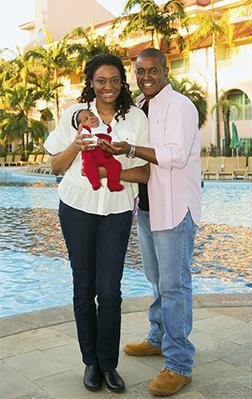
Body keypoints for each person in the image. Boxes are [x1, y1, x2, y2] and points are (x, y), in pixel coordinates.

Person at [44, 53, 149, 393]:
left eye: (115, 80)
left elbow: (146, 173)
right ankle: (90, 362)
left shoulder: (134, 117)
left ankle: (109, 364)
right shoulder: (74, 115)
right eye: (101, 81)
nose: (108, 87)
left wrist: (107, 170)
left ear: (123, 82)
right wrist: (76, 144)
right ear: (91, 82)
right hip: (76, 206)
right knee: (83, 288)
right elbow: (55, 167)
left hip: (117, 211)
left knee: (110, 290)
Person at [102, 47, 202, 397]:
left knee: (175, 285)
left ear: (165, 70)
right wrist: (109, 169)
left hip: (175, 209)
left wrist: (128, 148)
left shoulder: (182, 107)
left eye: (152, 71)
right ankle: (158, 338)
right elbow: (144, 171)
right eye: (140, 72)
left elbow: (174, 157)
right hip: (147, 207)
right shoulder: (141, 108)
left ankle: (179, 364)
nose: (146, 77)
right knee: (157, 280)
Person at [73, 109, 124, 192]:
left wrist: (116, 143)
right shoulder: (85, 129)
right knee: (88, 166)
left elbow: (112, 135)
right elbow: (86, 137)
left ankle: (113, 184)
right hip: (91, 154)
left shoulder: (105, 127)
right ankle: (95, 182)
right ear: (81, 125)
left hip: (105, 155)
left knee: (116, 165)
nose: (91, 118)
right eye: (86, 119)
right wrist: (97, 140)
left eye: (91, 115)